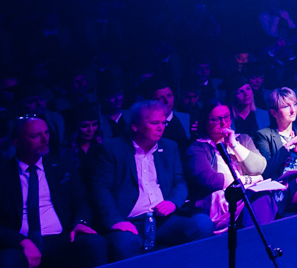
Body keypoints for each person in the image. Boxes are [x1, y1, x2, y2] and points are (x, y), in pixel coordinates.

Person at [0, 116, 105, 268]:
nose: (44, 139)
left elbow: (81, 201)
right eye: (35, 136)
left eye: (46, 133)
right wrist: (21, 241)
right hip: (21, 243)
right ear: (17, 143)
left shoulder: (62, 166)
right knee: (5, 262)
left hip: (61, 239)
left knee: (95, 243)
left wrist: (80, 222)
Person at [84, 101, 213, 258]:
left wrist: (172, 203)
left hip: (162, 219)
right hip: (129, 221)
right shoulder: (111, 149)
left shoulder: (169, 147)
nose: (161, 127)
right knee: (124, 243)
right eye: (154, 123)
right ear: (135, 126)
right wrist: (115, 221)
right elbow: (100, 190)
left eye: (163, 123)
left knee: (203, 224)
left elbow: (179, 182)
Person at [185, 102, 281, 226]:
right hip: (219, 203)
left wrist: (234, 145)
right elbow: (211, 180)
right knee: (257, 199)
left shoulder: (243, 139)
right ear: (205, 122)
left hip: (245, 195)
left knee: (263, 196)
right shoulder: (197, 148)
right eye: (216, 119)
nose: (223, 123)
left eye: (226, 117)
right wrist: (250, 179)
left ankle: (258, 235)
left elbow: (259, 168)